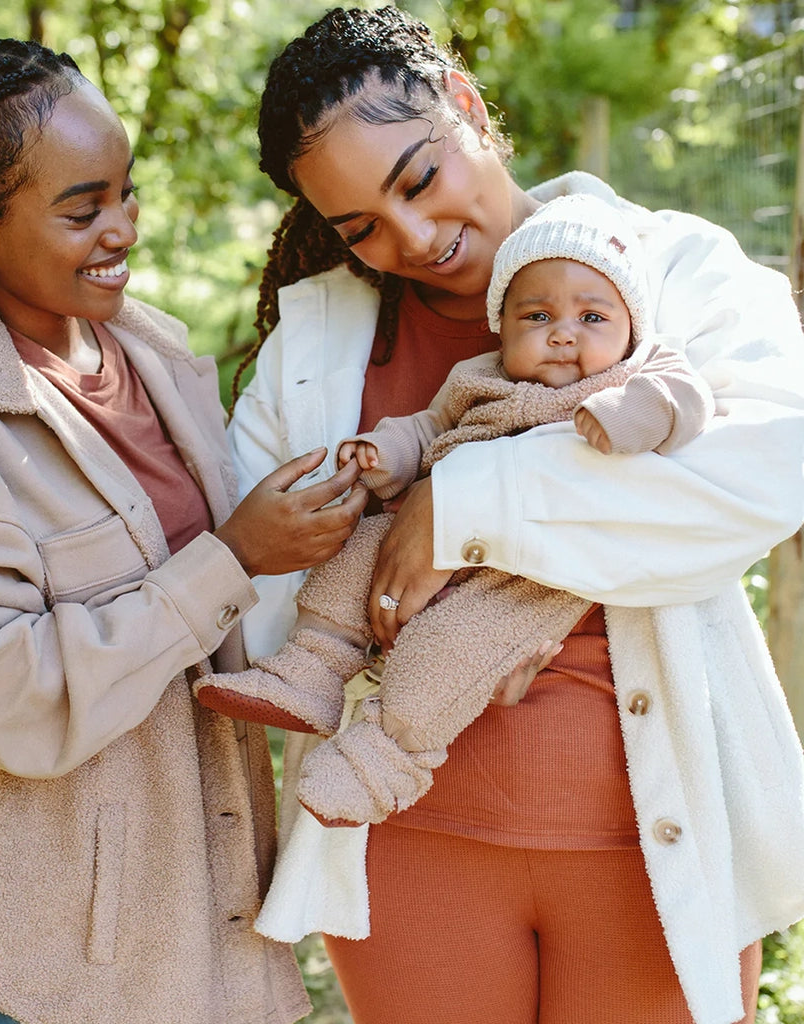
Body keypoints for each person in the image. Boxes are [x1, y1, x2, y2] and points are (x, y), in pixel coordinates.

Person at [223, 7, 804, 1024]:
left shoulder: (674, 268)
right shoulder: (323, 336)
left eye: (418, 180)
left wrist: (460, 501)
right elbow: (256, 587)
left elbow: (766, 472)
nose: (410, 239)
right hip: (405, 837)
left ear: (465, 106)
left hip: (649, 833)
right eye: (360, 226)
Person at [0, 38, 370, 1024]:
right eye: (83, 209)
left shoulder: (150, 349)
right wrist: (235, 556)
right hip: (58, 981)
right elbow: (10, 699)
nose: (122, 227)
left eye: (127, 192)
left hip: (214, 942)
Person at [197, 192, 714, 828]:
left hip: (521, 583)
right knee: (355, 555)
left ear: (631, 325)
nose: (563, 333)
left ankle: (388, 758)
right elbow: (426, 427)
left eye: (593, 318)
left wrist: (632, 416)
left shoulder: (634, 376)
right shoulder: (479, 375)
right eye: (537, 315)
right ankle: (314, 666)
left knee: (447, 651)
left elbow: (687, 401)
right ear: (502, 325)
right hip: (416, 542)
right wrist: (384, 451)